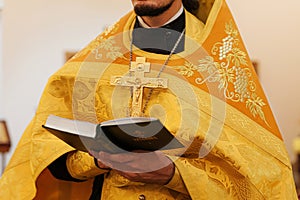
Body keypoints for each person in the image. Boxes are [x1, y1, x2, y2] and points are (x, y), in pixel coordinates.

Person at [0, 0, 298, 199]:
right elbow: (48, 156)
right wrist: (97, 160)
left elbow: (255, 178)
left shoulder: (217, 62)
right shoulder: (97, 59)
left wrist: (174, 174)